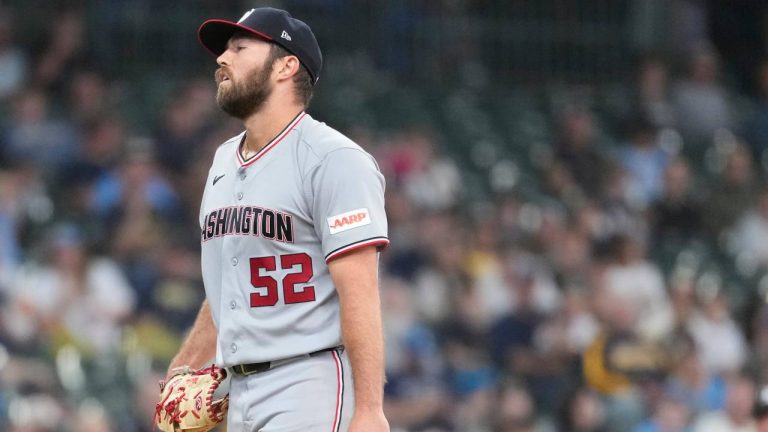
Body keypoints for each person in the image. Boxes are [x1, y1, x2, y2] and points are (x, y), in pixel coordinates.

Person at [163, 7, 390, 432]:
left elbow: (359, 290)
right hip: (237, 391)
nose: (222, 59)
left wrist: (370, 409)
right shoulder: (221, 162)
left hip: (308, 381)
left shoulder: (333, 159)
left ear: (286, 65)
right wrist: (182, 369)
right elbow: (227, 289)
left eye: (240, 47)